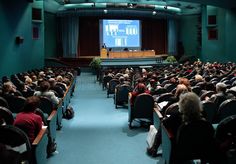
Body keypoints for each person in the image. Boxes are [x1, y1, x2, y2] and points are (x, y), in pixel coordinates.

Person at [147, 92, 207, 157]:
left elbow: (165, 124)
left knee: (163, 124)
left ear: (182, 104)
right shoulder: (204, 116)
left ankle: (154, 148)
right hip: (200, 149)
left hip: (180, 150)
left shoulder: (177, 116)